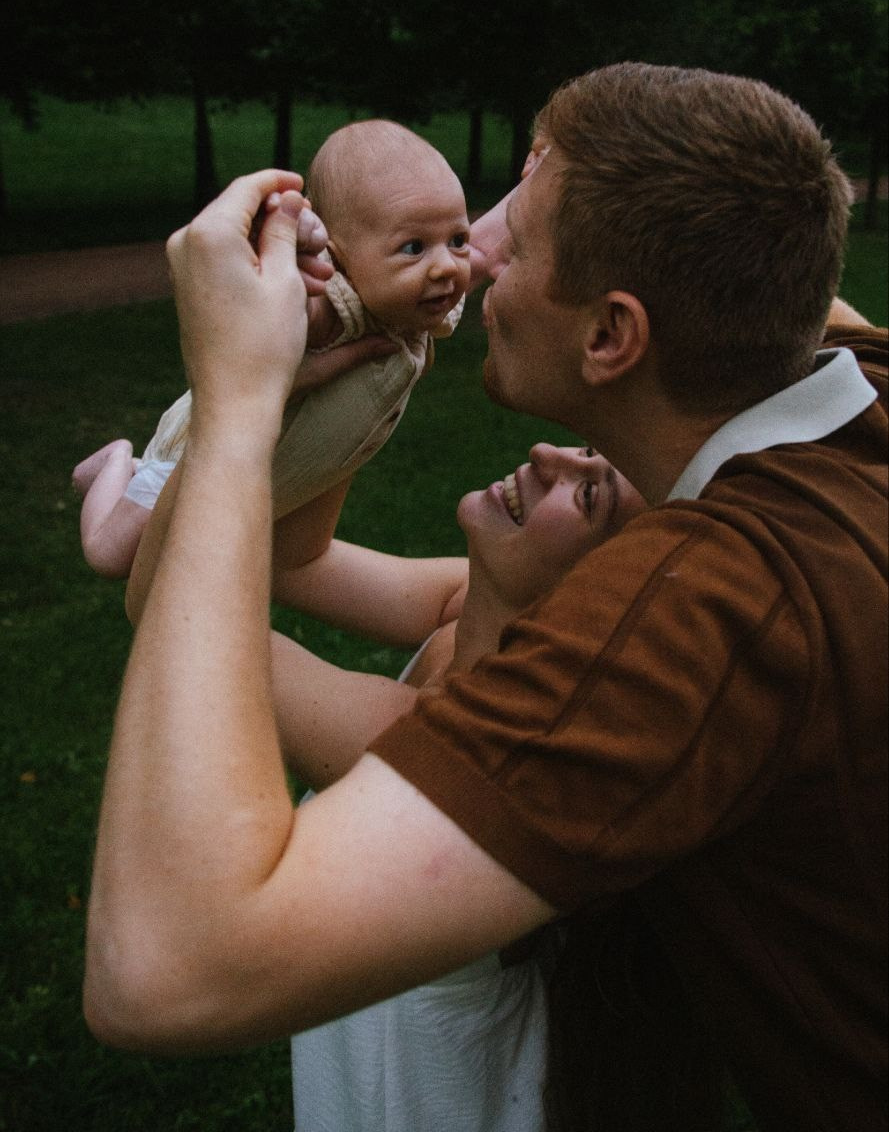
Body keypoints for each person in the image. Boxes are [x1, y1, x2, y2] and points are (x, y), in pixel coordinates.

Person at [83, 65, 887, 1132]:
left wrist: (238, 398)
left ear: (610, 338)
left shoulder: (696, 615)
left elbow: (167, 966)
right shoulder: (853, 378)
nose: (479, 248)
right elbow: (753, 239)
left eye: (518, 225)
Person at [273, 443, 645, 1131]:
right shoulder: (485, 601)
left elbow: (183, 603)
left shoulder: (446, 743)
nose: (545, 454)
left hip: (412, 1091)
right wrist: (377, 377)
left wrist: (245, 399)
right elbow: (298, 560)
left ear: (595, 592)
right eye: (589, 451)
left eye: (589, 494)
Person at [72, 119, 470, 580]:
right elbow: (282, 312)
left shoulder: (420, 303)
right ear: (337, 254)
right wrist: (285, 246)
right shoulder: (331, 310)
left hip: (275, 475)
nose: (446, 266)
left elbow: (491, 254)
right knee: (111, 555)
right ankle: (117, 461)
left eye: (458, 238)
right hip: (191, 457)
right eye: (413, 247)